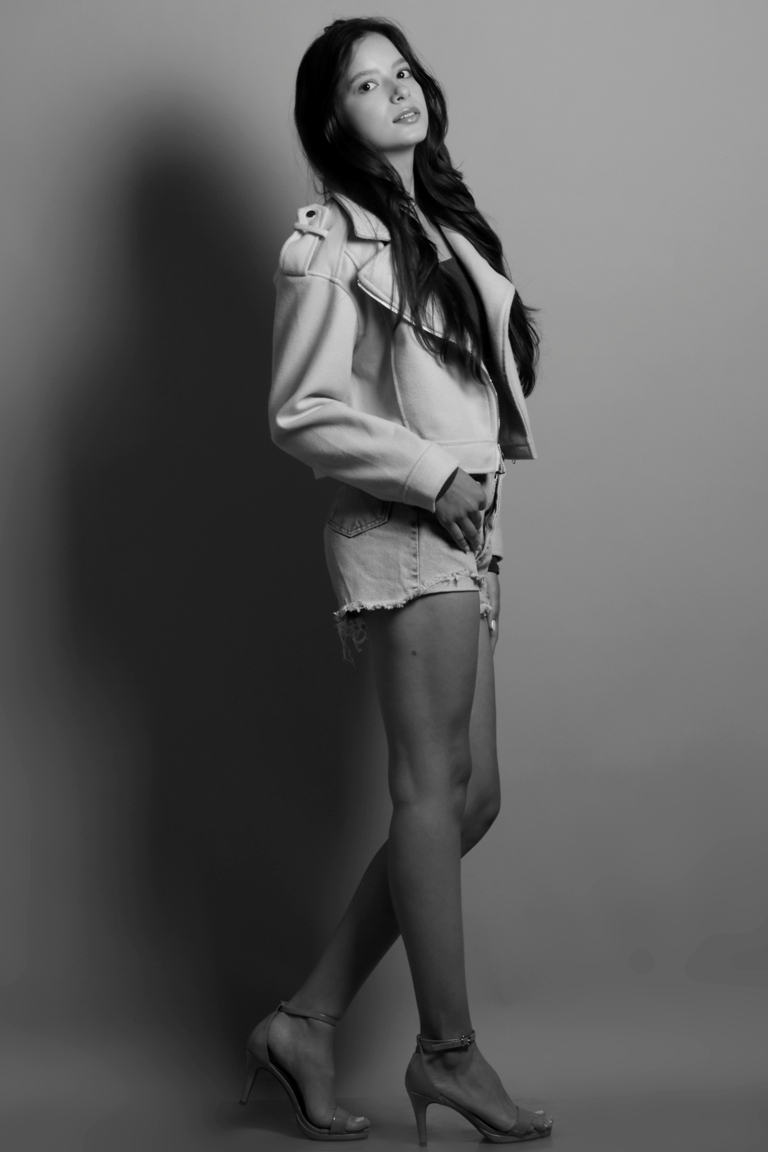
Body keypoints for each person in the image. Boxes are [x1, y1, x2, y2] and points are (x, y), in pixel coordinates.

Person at [241, 16, 554, 1144]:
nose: (399, 90)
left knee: (469, 799)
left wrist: (465, 486)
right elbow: (301, 410)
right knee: (431, 790)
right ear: (333, 120)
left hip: (460, 528)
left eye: (404, 70)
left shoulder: (436, 222)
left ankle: (304, 1022)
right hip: (405, 523)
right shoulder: (329, 239)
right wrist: (434, 477)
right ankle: (448, 1054)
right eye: (368, 84)